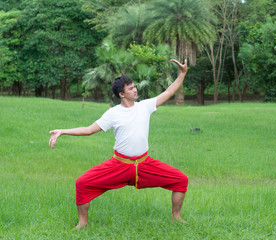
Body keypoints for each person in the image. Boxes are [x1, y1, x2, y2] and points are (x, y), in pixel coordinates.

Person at [49, 59, 188, 229]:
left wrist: (182, 74)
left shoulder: (145, 106)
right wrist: (63, 131)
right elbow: (89, 129)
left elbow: (168, 92)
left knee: (180, 180)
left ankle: (176, 218)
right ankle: (82, 224)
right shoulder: (113, 113)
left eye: (134, 86)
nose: (135, 89)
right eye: (130, 88)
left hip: (144, 164)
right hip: (119, 165)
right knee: (82, 184)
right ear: (121, 94)